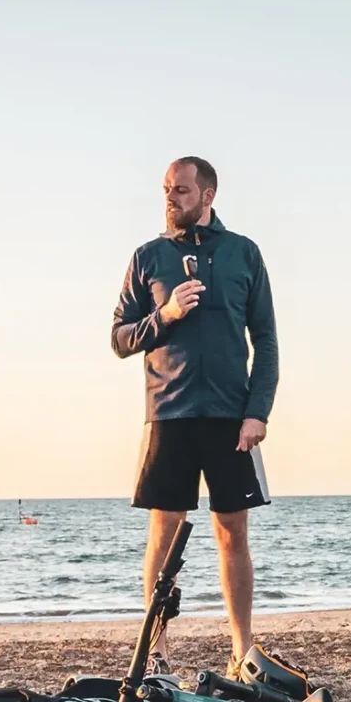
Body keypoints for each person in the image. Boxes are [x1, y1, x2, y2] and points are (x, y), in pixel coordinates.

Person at [112, 157, 280, 671]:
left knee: (233, 531)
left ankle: (242, 648)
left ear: (208, 194)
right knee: (164, 532)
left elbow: (267, 340)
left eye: (181, 190)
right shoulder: (148, 257)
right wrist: (164, 316)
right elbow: (119, 338)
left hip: (231, 417)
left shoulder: (244, 254)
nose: (171, 198)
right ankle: (157, 651)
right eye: (167, 189)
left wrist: (258, 412)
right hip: (169, 413)